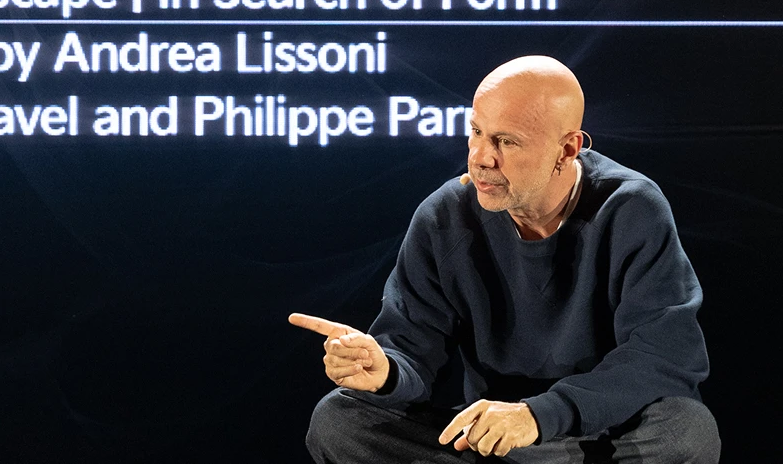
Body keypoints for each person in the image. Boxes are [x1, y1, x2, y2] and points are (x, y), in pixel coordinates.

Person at [290, 56, 720, 463]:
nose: (481, 157)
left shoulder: (631, 209)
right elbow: (411, 349)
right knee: (339, 419)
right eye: (476, 132)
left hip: (593, 434)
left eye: (506, 142)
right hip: (489, 441)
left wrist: (538, 415)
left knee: (686, 430)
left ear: (567, 149)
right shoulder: (445, 216)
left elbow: (662, 356)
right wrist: (385, 370)